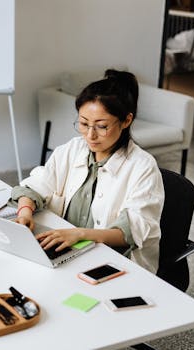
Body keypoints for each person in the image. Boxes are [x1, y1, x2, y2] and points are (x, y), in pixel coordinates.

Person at [11, 69, 164, 273]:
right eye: (83, 123)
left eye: (101, 126)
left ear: (126, 121)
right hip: (68, 252)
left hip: (117, 262)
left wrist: (80, 235)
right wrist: (24, 213)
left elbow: (133, 230)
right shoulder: (72, 149)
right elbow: (34, 186)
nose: (90, 135)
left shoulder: (142, 166)